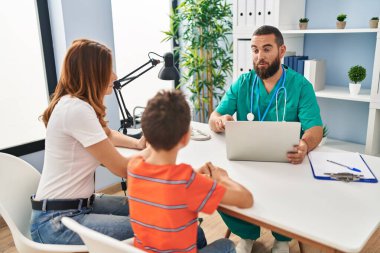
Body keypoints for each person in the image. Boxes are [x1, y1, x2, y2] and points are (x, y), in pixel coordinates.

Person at [208, 25, 323, 253]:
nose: (259, 56)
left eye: (266, 49)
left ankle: (282, 239)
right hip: (246, 162)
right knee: (217, 185)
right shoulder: (243, 83)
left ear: (281, 51)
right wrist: (220, 122)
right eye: (255, 50)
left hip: (287, 163)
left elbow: (315, 129)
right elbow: (215, 116)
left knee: (293, 193)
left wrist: (304, 144)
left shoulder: (300, 86)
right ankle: (247, 235)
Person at [30, 38, 148, 245]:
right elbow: (121, 168)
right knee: (158, 225)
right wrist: (161, 153)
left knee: (151, 209)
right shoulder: (77, 110)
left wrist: (138, 144)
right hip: (56, 222)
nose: (115, 76)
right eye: (108, 69)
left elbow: (107, 134)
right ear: (93, 73)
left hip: (71, 207)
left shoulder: (73, 104)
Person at [127, 90, 254, 253]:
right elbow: (246, 200)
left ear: (145, 132)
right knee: (227, 245)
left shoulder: (134, 166)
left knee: (198, 234)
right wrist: (223, 178)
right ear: (186, 137)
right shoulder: (187, 181)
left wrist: (196, 173)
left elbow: (165, 182)